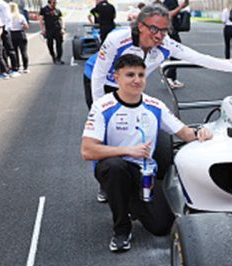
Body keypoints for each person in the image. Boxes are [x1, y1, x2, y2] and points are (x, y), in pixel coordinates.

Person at [81, 54, 214, 252]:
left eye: (141, 75)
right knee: (115, 167)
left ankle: (131, 201)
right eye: (130, 75)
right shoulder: (102, 106)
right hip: (114, 168)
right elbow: (87, 150)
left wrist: (202, 132)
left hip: (144, 172)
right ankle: (121, 229)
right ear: (117, 78)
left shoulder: (155, 106)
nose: (137, 80)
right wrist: (128, 150)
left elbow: (185, 133)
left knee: (161, 226)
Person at [84, 4, 232, 109]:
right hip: (98, 78)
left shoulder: (166, 43)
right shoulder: (117, 39)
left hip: (128, 84)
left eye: (164, 30)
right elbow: (98, 74)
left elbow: (199, 58)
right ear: (140, 26)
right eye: (154, 29)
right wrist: (98, 109)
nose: (159, 36)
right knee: (105, 126)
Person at [161, 0, 190, 88]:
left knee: (176, 55)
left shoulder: (173, 1)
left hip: (172, 31)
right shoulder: (170, 1)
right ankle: (168, 77)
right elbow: (168, 14)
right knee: (177, 54)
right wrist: (181, 7)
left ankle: (173, 77)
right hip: (170, 32)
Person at [39, 0, 65, 65]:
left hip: (57, 29)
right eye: (54, 2)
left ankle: (59, 58)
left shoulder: (57, 10)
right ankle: (53, 56)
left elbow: (61, 19)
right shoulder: (44, 10)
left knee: (59, 44)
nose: (55, 3)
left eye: (55, 2)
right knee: (50, 44)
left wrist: (63, 28)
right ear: (50, 2)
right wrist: (43, 30)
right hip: (49, 29)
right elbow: (41, 20)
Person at [7, 2, 28, 73]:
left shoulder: (8, 17)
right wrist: (22, 28)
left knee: (15, 51)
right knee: (23, 51)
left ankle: (17, 66)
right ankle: (25, 67)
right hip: (20, 33)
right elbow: (26, 26)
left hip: (12, 34)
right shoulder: (21, 16)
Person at [0, 0, 18, 73]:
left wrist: (6, 29)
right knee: (1, 50)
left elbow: (8, 17)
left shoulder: (3, 4)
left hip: (4, 27)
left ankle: (15, 67)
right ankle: (5, 68)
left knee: (9, 48)